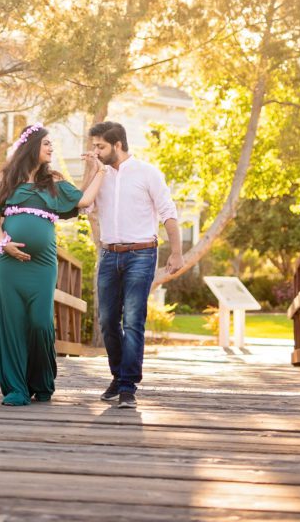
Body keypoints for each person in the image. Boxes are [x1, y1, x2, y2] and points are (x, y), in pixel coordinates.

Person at [0, 123, 106, 406]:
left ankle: (42, 382)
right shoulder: (6, 180)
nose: (51, 148)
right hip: (8, 262)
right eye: (46, 144)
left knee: (40, 322)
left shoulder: (53, 182)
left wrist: (100, 170)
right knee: (13, 322)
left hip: (42, 264)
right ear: (31, 147)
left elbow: (84, 199)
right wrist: (4, 243)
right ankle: (16, 388)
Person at [83, 121, 184, 409]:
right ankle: (119, 375)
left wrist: (176, 253)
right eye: (94, 147)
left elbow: (168, 213)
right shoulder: (100, 175)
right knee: (106, 321)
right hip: (109, 254)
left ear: (117, 145)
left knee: (133, 320)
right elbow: (83, 205)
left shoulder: (147, 173)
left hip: (141, 254)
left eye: (100, 147)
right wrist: (93, 172)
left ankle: (128, 386)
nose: (96, 152)